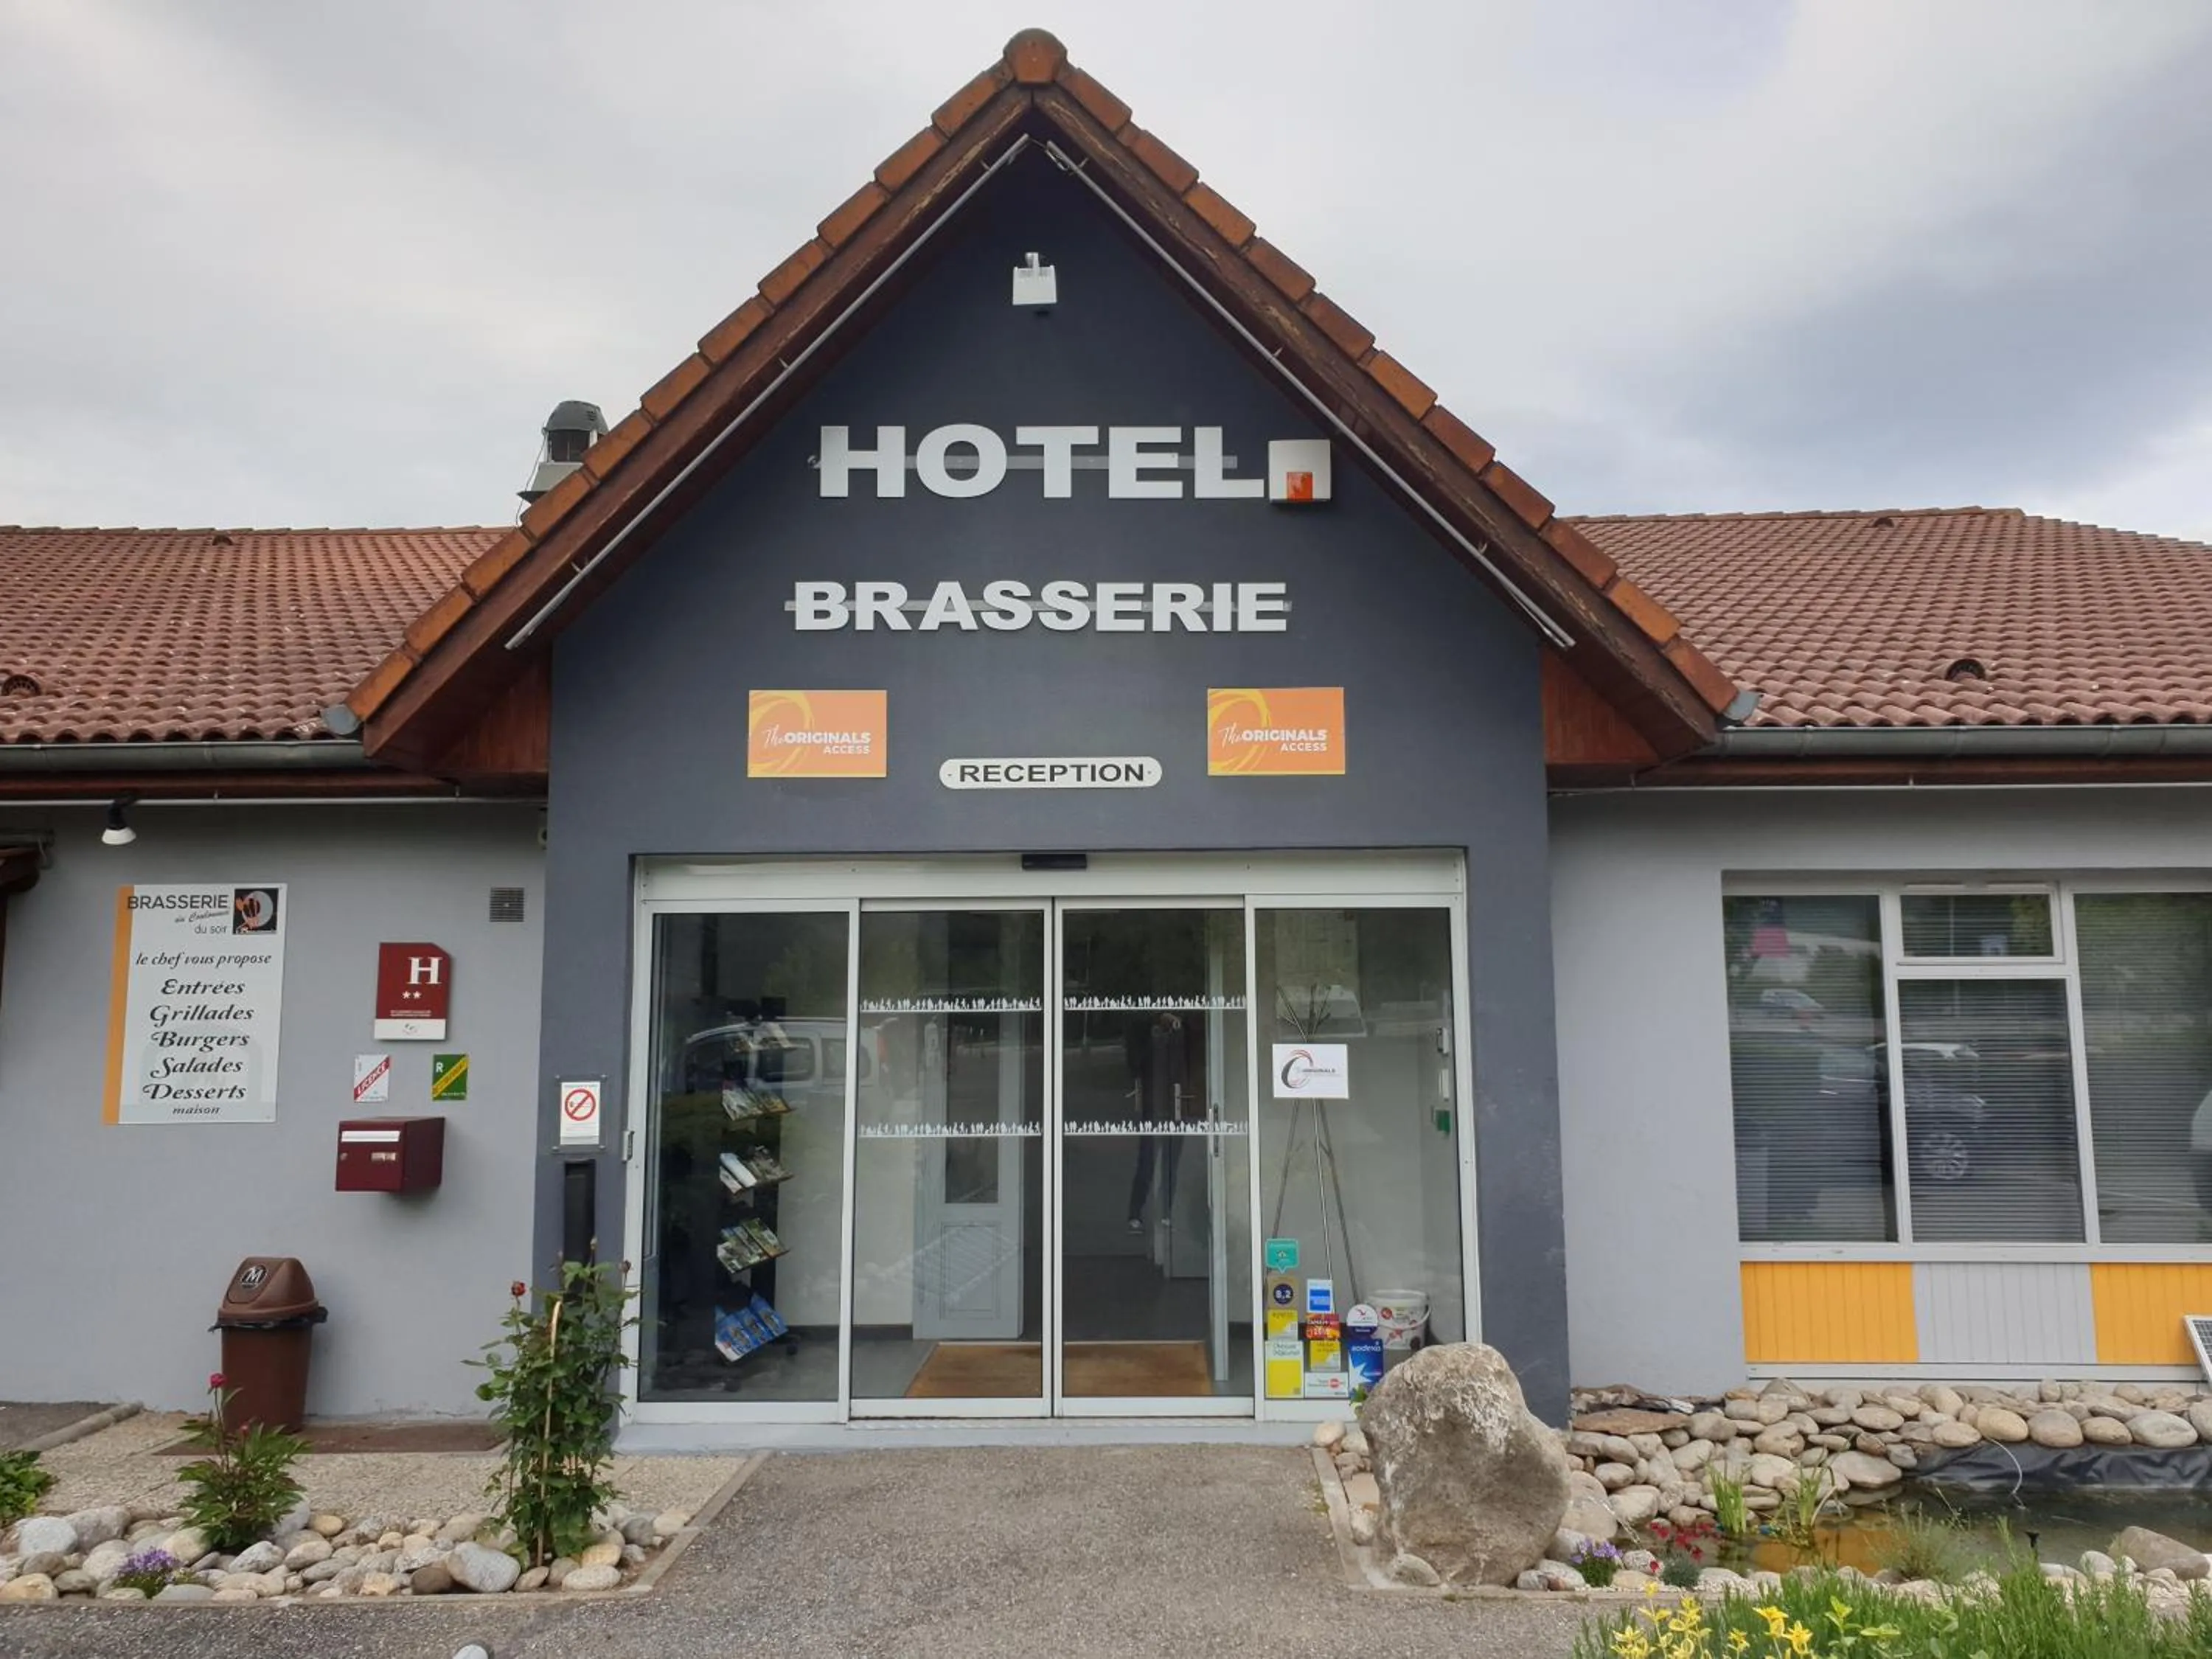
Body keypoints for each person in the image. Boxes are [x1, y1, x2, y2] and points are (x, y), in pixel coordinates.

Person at [1125, 1011, 1189, 1231]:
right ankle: (1136, 1212)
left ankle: (1164, 1213)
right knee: (1147, 1164)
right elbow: (1136, 1064)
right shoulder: (1148, 1038)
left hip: (1174, 1110)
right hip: (1155, 1111)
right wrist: (1156, 1035)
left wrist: (1176, 1033)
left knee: (1170, 1166)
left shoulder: (1178, 1039)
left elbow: (1181, 1067)